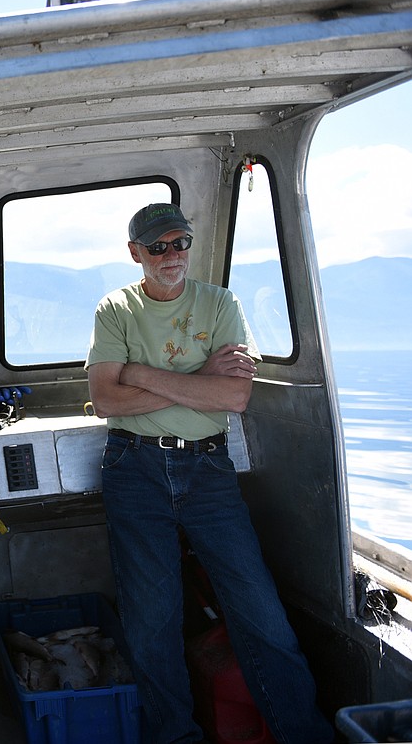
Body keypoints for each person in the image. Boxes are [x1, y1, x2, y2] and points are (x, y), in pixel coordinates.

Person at [85, 202, 332, 744]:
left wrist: (142, 374)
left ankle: (304, 736)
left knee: (260, 610)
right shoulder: (116, 310)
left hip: (208, 469)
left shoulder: (221, 304)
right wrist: (198, 379)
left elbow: (234, 395)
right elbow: (105, 399)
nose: (173, 255)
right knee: (152, 620)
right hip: (135, 467)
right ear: (135, 254)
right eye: (158, 247)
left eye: (180, 243)